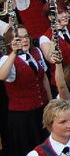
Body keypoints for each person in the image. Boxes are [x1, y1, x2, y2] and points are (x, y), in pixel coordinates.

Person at [0, 24, 51, 156]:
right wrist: (14, 53)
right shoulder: (7, 60)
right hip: (23, 117)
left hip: (42, 109)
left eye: (26, 36)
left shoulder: (36, 52)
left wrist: (50, 102)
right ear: (11, 42)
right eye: (19, 38)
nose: (25, 40)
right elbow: (2, 75)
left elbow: (44, 77)